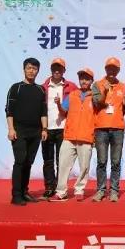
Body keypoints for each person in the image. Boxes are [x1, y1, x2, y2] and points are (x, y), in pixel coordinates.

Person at [5, 58, 48, 206]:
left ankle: (24, 191)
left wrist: (44, 129)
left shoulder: (40, 89)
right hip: (19, 131)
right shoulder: (16, 88)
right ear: (24, 69)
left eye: (34, 69)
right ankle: (16, 195)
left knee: (29, 162)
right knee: (20, 161)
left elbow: (43, 112)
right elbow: (9, 110)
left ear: (38, 71)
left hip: (36, 131)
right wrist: (11, 129)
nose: (31, 71)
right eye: (29, 68)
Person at [50, 68, 96, 202]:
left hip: (86, 137)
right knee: (63, 165)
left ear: (91, 81)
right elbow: (63, 112)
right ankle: (61, 192)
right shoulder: (72, 95)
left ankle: (79, 190)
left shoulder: (95, 97)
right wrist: (58, 104)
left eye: (87, 79)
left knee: (84, 167)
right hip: (69, 136)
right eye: (82, 78)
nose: (84, 81)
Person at [91, 57, 125, 203]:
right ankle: (100, 190)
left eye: (115, 68)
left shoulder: (123, 87)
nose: (112, 70)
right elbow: (97, 104)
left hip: (118, 128)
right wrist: (105, 91)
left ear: (118, 70)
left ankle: (114, 190)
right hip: (101, 128)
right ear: (105, 69)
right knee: (101, 161)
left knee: (116, 162)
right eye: (109, 68)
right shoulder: (97, 84)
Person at [41, 58, 78, 199]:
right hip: (46, 128)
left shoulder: (72, 87)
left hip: (64, 128)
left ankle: (60, 188)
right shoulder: (43, 87)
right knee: (48, 160)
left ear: (64, 70)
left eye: (60, 68)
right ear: (51, 69)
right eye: (54, 68)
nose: (57, 70)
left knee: (62, 161)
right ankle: (49, 187)